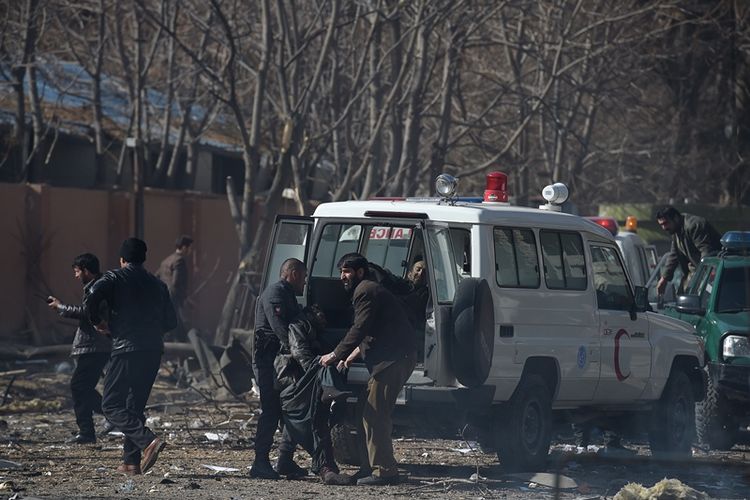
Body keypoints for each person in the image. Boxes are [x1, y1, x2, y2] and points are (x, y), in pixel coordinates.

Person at [320, 253, 417, 486]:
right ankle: (369, 467)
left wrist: (335, 354)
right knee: (365, 409)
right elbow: (374, 327)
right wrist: (353, 356)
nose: (342, 276)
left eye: (347, 271)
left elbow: (360, 327)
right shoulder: (368, 289)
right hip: (389, 357)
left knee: (375, 414)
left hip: (394, 358)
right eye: (341, 271)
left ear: (360, 272)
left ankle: (384, 472)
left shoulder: (365, 290)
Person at [84, 238, 177, 476]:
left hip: (126, 348)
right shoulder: (158, 284)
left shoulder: (114, 277)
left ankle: (148, 441)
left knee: (111, 404)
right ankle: (131, 463)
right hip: (154, 350)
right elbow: (171, 322)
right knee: (134, 406)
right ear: (144, 259)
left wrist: (98, 322)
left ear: (122, 259)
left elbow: (91, 295)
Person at [275, 306, 352, 486]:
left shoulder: (313, 330)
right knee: (315, 420)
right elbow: (300, 354)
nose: (324, 320)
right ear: (311, 313)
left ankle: (284, 460)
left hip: (299, 381)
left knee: (296, 422)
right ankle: (326, 468)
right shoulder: (299, 326)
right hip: (295, 381)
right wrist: (317, 370)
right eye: (321, 315)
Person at [250, 258, 307, 480]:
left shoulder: (287, 294)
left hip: (280, 363)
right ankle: (260, 463)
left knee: (289, 410)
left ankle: (285, 460)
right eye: (302, 277)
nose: (304, 283)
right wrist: (303, 357)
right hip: (269, 363)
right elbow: (282, 330)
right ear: (292, 274)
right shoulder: (275, 293)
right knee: (271, 411)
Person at [47, 253, 113, 444]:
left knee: (79, 387)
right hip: (95, 345)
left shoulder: (97, 287)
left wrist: (62, 307)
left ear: (86, 270)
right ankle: (106, 419)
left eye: (77, 271)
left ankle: (90, 430)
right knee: (83, 388)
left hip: (94, 346)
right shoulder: (96, 286)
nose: (76, 276)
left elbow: (87, 312)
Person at [655, 206, 721, 295]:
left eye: (666, 223)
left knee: (703, 297)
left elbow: (706, 251)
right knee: (683, 297)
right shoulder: (675, 230)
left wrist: (709, 274)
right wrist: (664, 279)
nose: (664, 227)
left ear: (675, 218)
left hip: (712, 270)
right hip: (696, 270)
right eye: (661, 225)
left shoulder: (694, 225)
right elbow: (674, 255)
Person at [156, 235, 193, 342]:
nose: (190, 250)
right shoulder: (179, 261)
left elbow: (156, 276)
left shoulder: (166, 261)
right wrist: (185, 299)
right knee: (178, 329)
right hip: (174, 299)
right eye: (190, 247)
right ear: (184, 247)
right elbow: (176, 283)